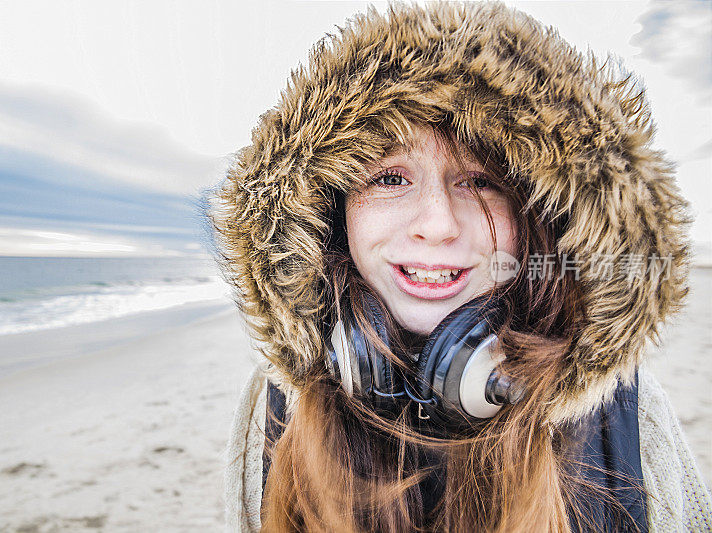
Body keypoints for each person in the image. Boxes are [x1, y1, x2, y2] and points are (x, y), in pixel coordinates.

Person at [213, 3, 712, 531]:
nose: (438, 224)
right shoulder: (275, 406)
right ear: (332, 213)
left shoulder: (623, 412)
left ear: (539, 216)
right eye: (388, 178)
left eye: (479, 181)